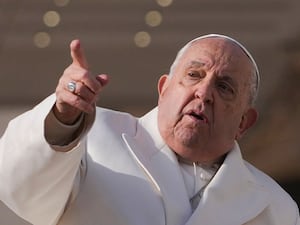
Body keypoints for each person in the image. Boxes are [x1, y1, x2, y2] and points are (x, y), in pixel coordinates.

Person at [0, 34, 299, 225]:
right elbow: (20, 189)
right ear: (164, 88)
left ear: (244, 122)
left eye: (224, 87)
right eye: (193, 75)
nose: (204, 93)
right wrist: (63, 119)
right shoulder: (93, 135)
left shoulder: (274, 206)